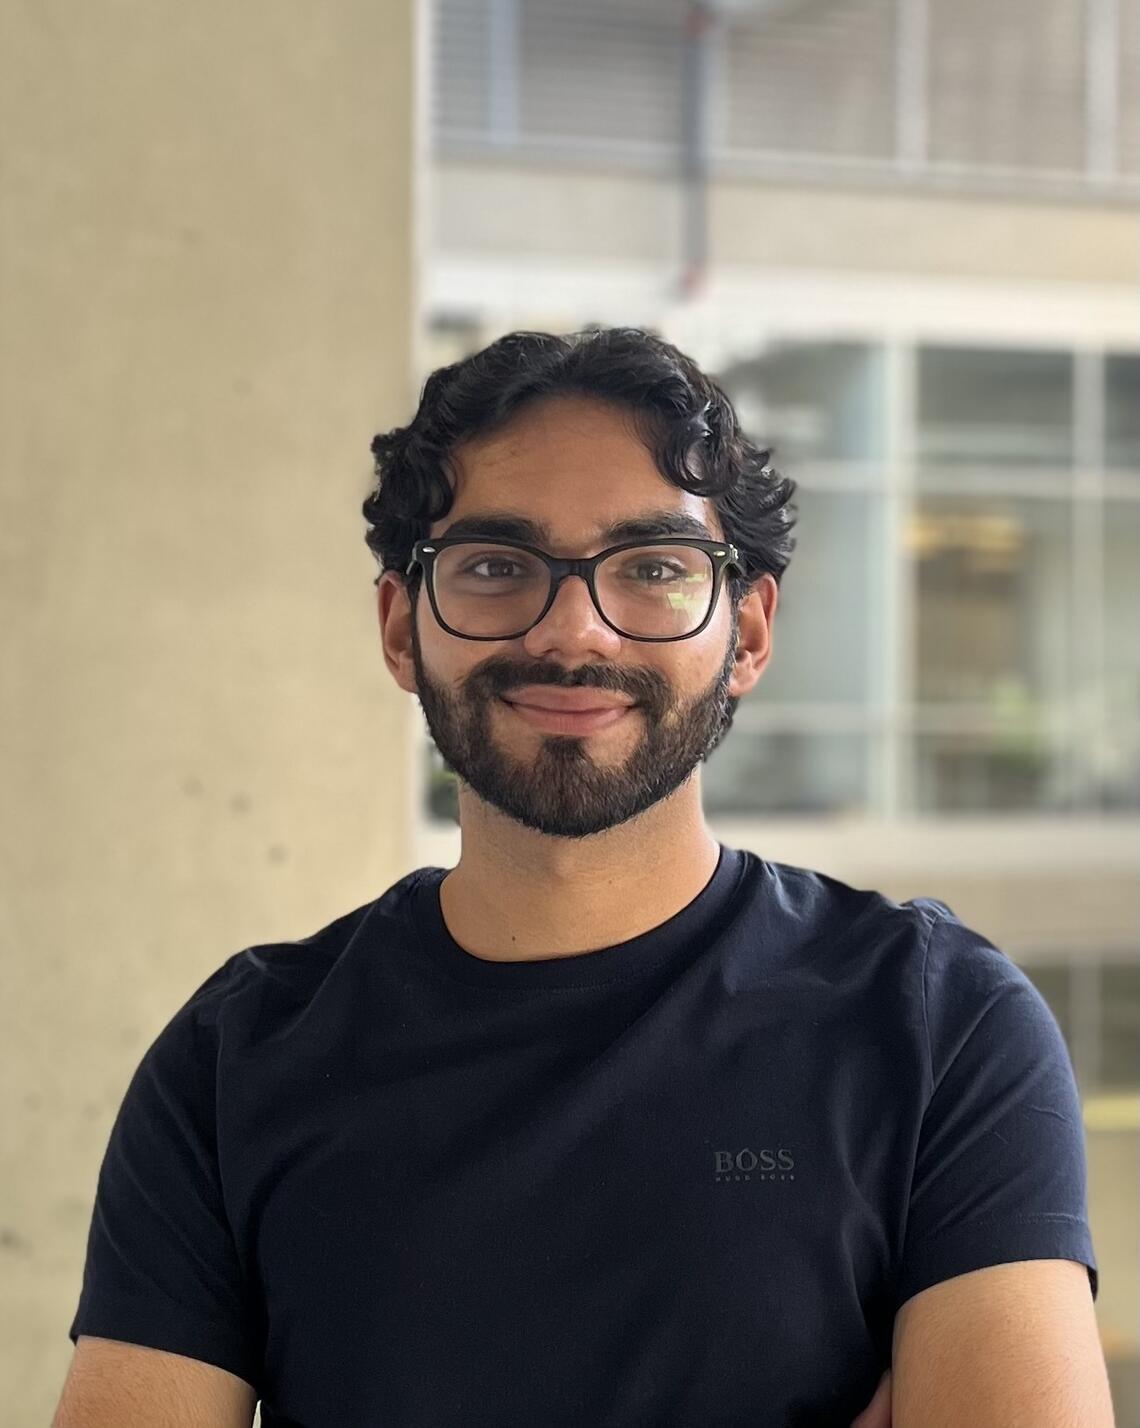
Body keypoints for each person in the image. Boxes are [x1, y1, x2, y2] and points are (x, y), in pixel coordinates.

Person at [57, 328, 1096, 1427]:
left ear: (746, 629)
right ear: (402, 629)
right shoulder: (235, 1059)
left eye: (652, 568)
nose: (574, 629)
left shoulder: (940, 1027)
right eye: (498, 567)